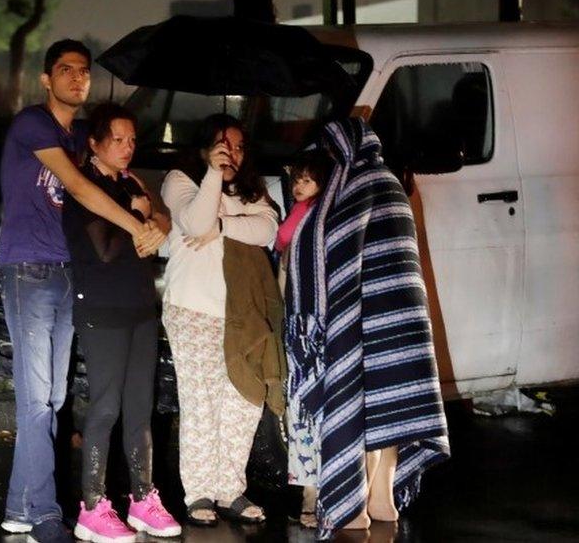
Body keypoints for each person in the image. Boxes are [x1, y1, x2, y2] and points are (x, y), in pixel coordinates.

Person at [0, 39, 167, 543]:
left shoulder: (82, 136)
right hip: (28, 269)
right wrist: (138, 228)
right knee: (36, 400)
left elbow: (132, 181)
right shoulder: (34, 123)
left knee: (53, 396)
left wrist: (152, 217)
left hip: (70, 273)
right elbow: (74, 186)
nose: (77, 78)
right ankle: (47, 514)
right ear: (47, 79)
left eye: (83, 71)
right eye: (65, 70)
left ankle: (19, 507)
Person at [284, 118, 449, 538]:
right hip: (405, 324)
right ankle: (382, 500)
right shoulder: (390, 183)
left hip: (370, 323)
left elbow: (330, 250)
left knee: (367, 411)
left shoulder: (356, 186)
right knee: (392, 411)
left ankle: (353, 504)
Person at [62, 103, 180, 542]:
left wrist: (153, 218)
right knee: (106, 406)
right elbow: (107, 250)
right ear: (94, 143)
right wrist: (140, 216)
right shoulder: (85, 188)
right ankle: (92, 506)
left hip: (140, 310)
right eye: (118, 140)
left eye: (132, 140)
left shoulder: (130, 182)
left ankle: (143, 499)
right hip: (102, 311)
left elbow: (155, 229)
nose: (128, 148)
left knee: (139, 410)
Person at [160, 114, 278, 527]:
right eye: (224, 145)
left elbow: (267, 230)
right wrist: (213, 173)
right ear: (205, 147)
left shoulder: (251, 191)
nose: (233, 153)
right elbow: (194, 222)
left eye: (239, 147)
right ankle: (198, 492)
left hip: (240, 314)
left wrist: (224, 226)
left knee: (243, 401)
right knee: (201, 401)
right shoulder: (180, 181)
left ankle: (230, 488)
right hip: (192, 308)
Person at [273, 149, 332, 530]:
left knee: (313, 409)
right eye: (296, 178)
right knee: (307, 409)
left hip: (315, 322)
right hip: (301, 321)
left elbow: (282, 237)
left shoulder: (317, 214)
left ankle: (318, 492)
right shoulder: (307, 212)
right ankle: (312, 493)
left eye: (307, 180)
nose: (298, 186)